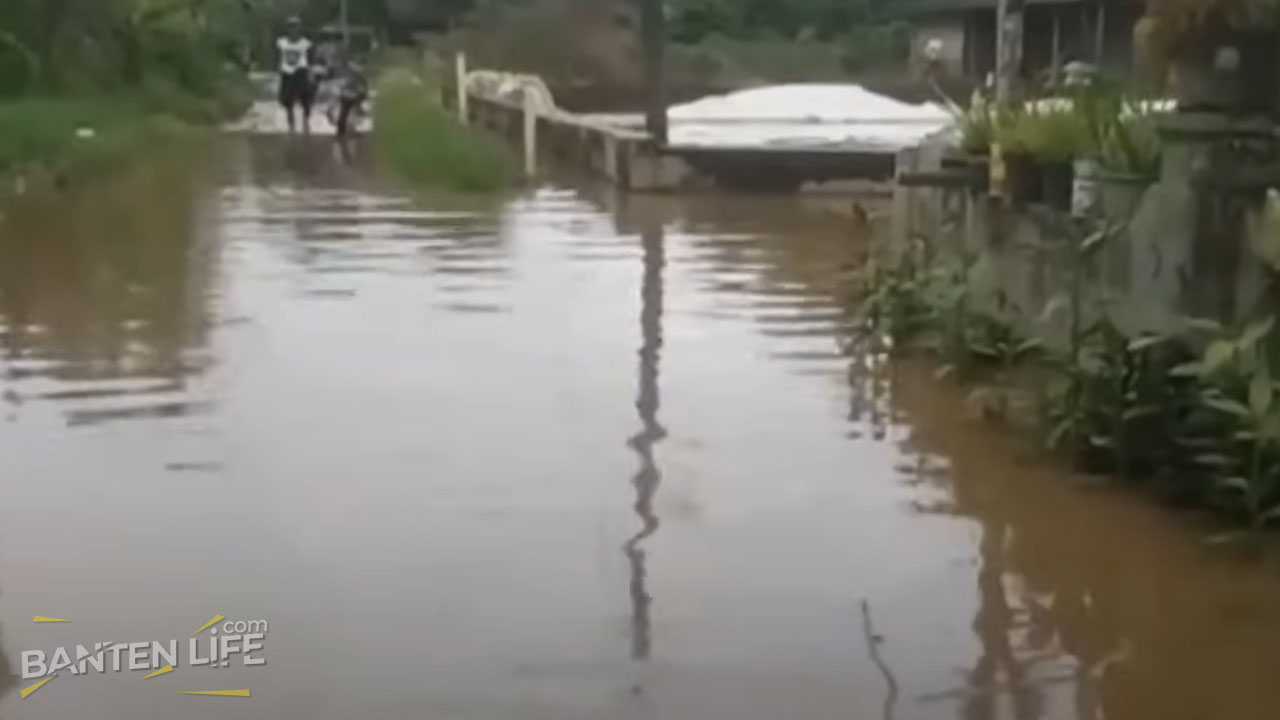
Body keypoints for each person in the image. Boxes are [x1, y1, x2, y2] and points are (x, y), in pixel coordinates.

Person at [276, 16, 314, 134]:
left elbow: (311, 59)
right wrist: (278, 68)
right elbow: (278, 57)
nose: (293, 30)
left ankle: (306, 122)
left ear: (299, 28)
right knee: (287, 101)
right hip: (286, 73)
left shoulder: (306, 43)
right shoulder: (281, 42)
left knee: (305, 100)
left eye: (296, 27)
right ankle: (291, 126)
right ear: (287, 28)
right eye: (291, 27)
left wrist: (310, 71)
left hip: (301, 72)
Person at [332, 57, 369, 138]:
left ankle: (341, 131)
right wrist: (364, 92)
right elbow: (362, 84)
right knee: (356, 111)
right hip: (352, 95)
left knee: (344, 112)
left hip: (346, 94)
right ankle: (356, 129)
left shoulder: (350, 70)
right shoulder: (359, 71)